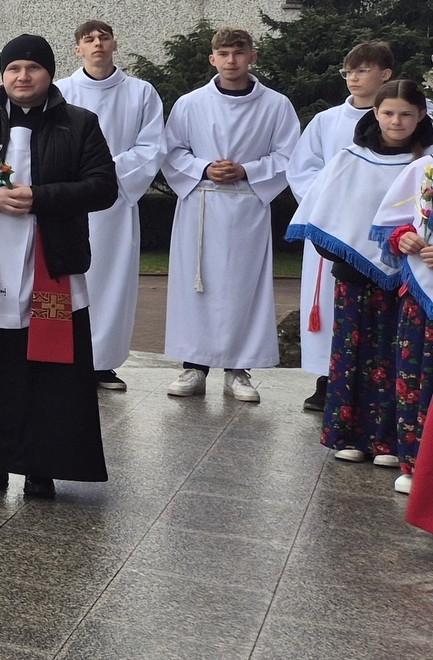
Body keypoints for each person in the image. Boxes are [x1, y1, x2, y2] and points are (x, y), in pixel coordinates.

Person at [0, 34, 117, 499]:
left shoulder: (79, 123)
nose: (22, 76)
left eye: (32, 68)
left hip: (50, 257)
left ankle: (41, 464)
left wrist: (43, 199)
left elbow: (103, 187)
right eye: (13, 69)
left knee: (49, 368)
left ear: (49, 74)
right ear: (3, 75)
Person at [286, 80, 431, 470]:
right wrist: (350, 255)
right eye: (388, 113)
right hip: (354, 276)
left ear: (421, 116)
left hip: (411, 281)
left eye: (405, 114)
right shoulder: (351, 157)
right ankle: (348, 435)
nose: (396, 121)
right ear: (375, 114)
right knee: (352, 354)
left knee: (399, 360)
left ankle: (391, 441)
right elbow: (325, 209)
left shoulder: (428, 162)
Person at [162, 27, 301, 403]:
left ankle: (239, 370)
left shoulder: (276, 105)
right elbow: (171, 151)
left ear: (252, 57)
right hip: (201, 205)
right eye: (223, 54)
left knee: (244, 289)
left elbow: (290, 156)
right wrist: (204, 168)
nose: (231, 60)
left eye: (239, 53)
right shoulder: (190, 103)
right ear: (212, 59)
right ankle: (193, 365)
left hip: (247, 206)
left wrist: (248, 170)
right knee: (196, 285)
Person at [55, 21, 166, 391]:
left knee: (112, 282)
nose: (97, 44)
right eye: (88, 40)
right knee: (67, 280)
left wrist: (103, 173)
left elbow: (152, 146)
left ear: (114, 44)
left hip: (116, 203)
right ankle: (62, 359)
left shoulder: (141, 92)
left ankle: (101, 364)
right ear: (78, 50)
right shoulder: (61, 92)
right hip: (70, 202)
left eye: (103, 38)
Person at [287, 42, 395, 413]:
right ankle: (326, 378)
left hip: (384, 229)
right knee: (329, 305)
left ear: (385, 75)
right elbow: (302, 170)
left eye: (363, 70)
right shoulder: (327, 121)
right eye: (348, 71)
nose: (353, 77)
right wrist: (333, 206)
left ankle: (372, 380)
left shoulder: (402, 118)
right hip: (332, 230)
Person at [369, 93, 433, 498]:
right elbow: (389, 225)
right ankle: (413, 462)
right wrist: (404, 237)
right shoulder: (425, 168)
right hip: (422, 294)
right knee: (414, 378)